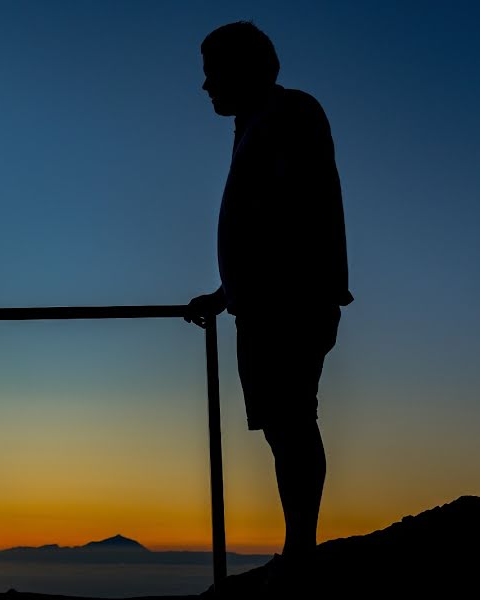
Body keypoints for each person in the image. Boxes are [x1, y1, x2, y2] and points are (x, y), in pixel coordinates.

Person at [185, 21, 353, 582]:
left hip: (289, 303)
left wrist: (283, 289)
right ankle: (298, 545)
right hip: (263, 303)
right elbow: (263, 222)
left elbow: (294, 213)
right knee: (284, 425)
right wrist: (227, 292)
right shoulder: (255, 124)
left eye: (214, 72)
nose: (206, 85)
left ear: (246, 69)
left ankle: (301, 548)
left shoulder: (290, 114)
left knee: (292, 421)